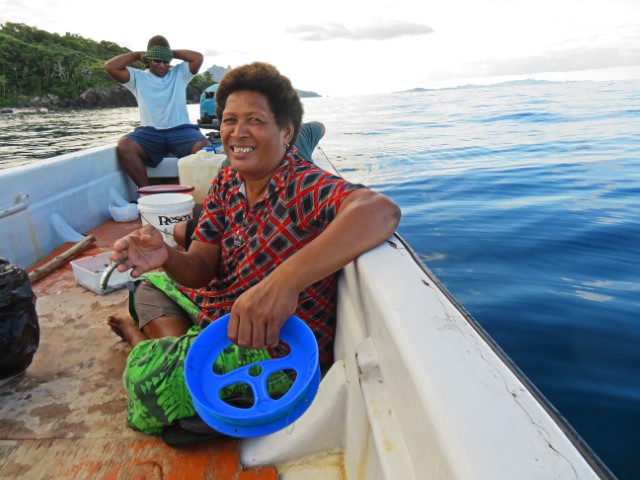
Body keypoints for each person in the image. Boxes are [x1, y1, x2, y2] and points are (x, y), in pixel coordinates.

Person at [106, 61, 401, 440]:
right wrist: (164, 255)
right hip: (223, 306)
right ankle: (184, 357)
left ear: (287, 132)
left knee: (144, 382)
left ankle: (146, 345)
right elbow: (199, 268)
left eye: (255, 121)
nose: (237, 133)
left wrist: (282, 284)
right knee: (146, 288)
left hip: (271, 344)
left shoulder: (301, 184)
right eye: (229, 120)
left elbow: (380, 210)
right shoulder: (228, 179)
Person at [173, 120, 326, 250]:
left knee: (181, 230)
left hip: (251, 238)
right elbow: (319, 127)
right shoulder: (302, 134)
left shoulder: (230, 165)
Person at [104, 35, 211, 187]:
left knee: (204, 147)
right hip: (150, 132)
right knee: (124, 145)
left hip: (181, 130)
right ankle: (146, 191)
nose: (162, 65)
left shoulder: (179, 73)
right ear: (147, 60)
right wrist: (137, 55)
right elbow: (110, 66)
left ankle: (197, 193)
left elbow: (198, 58)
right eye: (156, 60)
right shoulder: (137, 77)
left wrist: (168, 52)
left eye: (166, 61)